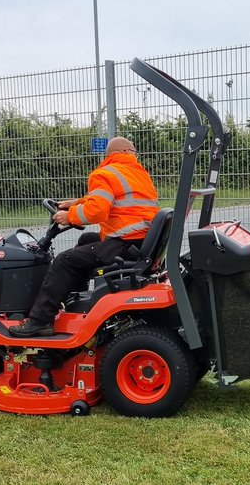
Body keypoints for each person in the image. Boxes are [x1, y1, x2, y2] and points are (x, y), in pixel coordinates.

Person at [9, 136, 160, 337]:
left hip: (124, 242)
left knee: (65, 260)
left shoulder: (105, 173)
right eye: (134, 152)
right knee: (86, 240)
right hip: (140, 240)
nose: (136, 155)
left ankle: (40, 320)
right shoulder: (138, 173)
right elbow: (107, 198)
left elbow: (97, 211)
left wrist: (68, 216)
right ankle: (76, 301)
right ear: (125, 153)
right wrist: (75, 203)